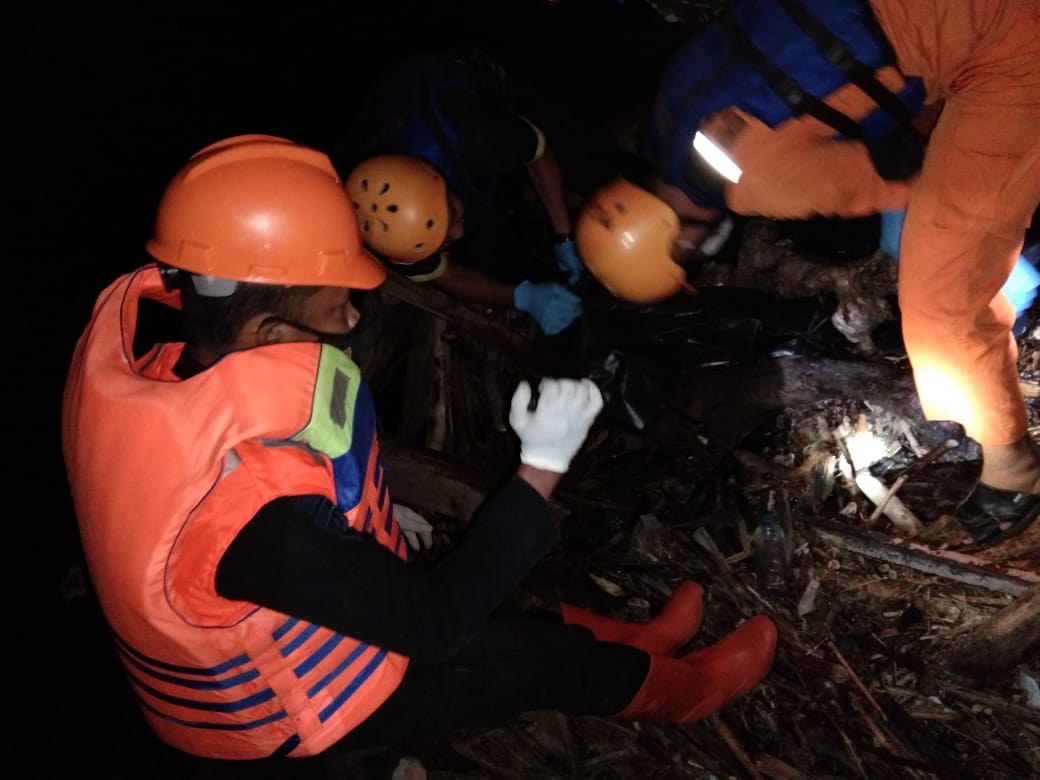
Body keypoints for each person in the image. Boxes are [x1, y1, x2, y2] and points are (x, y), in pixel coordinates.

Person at [61, 134, 778, 762]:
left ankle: (643, 637)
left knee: (502, 619)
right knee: (535, 662)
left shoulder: (169, 361)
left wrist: (351, 526)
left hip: (287, 591)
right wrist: (542, 468)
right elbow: (432, 627)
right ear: (268, 333)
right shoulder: (255, 523)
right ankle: (689, 692)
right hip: (285, 703)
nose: (353, 313)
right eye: (336, 303)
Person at [575, 0, 1040, 551]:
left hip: (1005, 40)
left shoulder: (753, 179)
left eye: (689, 256)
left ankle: (1015, 470)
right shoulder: (670, 106)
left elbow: (914, 185)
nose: (701, 253)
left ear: (676, 239)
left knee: (941, 306)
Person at [333, 48, 617, 337]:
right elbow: (450, 275)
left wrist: (564, 235)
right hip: (385, 118)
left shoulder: (472, 135)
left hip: (448, 86)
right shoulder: (389, 237)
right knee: (492, 254)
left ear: (438, 177)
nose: (457, 234)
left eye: (452, 216)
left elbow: (538, 151)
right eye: (442, 241)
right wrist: (523, 296)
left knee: (585, 156)